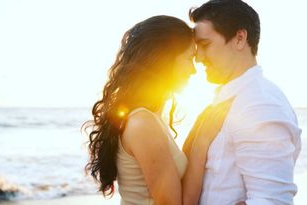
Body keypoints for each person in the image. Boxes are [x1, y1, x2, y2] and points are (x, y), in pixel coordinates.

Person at [84, 15, 233, 205]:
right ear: (164, 60)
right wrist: (202, 142)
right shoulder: (143, 123)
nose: (193, 70)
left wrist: (199, 127)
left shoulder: (149, 116)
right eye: (189, 59)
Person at [183, 0, 302, 204]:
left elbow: (273, 200)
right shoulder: (228, 98)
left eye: (205, 45)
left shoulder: (260, 104)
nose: (198, 57)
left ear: (239, 38)